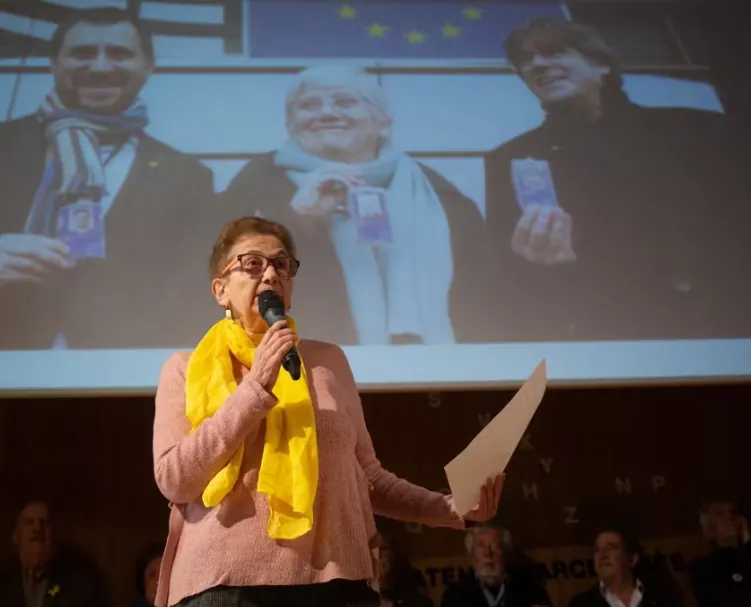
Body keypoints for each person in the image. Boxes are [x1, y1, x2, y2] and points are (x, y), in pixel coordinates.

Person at [151, 215, 505, 607]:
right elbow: (175, 480)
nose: (270, 274)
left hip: (339, 582)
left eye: (281, 265)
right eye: (252, 264)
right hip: (225, 587)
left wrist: (451, 508)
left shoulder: (328, 361)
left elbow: (369, 479)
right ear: (221, 290)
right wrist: (255, 388)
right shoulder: (185, 369)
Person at [0, 6, 216, 351]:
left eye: (119, 54)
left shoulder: (188, 178)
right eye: (82, 53)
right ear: (53, 63)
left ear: (149, 66)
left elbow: (195, 297)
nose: (100, 67)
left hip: (117, 375)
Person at [484, 18, 751, 343]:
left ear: (601, 64)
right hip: (600, 333)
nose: (536, 64)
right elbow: (507, 274)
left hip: (713, 329)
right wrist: (542, 267)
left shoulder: (696, 131)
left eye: (554, 52)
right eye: (525, 60)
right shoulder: (510, 158)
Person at [222, 65, 502, 346]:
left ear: (383, 122)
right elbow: (230, 283)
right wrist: (299, 221)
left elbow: (483, 296)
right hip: (303, 358)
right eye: (310, 105)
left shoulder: (435, 193)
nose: (327, 113)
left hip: (425, 364)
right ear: (290, 122)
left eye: (345, 102)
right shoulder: (256, 182)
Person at [0, 500, 105, 607]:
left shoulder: (79, 585)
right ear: (15, 536)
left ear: (54, 535)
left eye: (45, 523)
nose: (38, 528)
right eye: (29, 522)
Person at [440, 523, 550, 607]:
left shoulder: (533, 593)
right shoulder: (453, 597)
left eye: (495, 546)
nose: (487, 554)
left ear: (506, 553)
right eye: (481, 546)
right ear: (471, 553)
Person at [567, 525, 679, 607]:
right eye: (597, 550)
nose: (602, 555)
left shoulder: (661, 599)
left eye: (610, 548)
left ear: (632, 559)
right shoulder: (581, 604)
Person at [690, 499, 751, 606]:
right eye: (720, 513)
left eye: (732, 512)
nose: (730, 517)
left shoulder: (743, 555)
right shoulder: (703, 567)